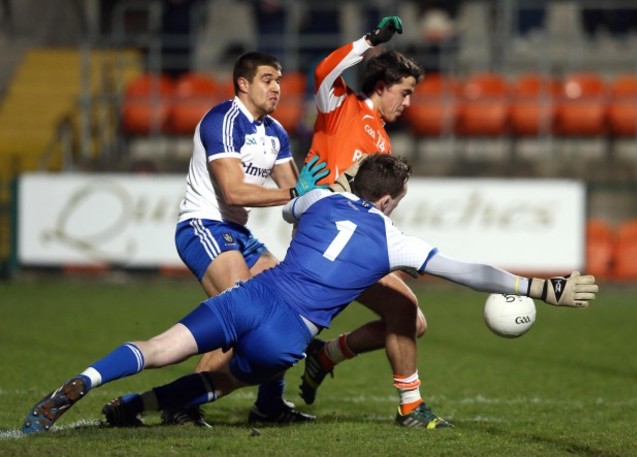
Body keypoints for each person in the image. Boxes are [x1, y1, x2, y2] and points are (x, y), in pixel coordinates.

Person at [22, 154, 599, 435]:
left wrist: (319, 189)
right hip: (287, 334)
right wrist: (540, 287)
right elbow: (468, 271)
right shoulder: (393, 239)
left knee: (156, 345)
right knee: (221, 380)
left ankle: (85, 384)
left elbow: (292, 204)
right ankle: (135, 409)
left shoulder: (320, 200)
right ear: (392, 198)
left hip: (253, 295)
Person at [163, 51, 329, 427]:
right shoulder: (223, 120)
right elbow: (235, 193)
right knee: (244, 316)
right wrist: (295, 195)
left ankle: (269, 405)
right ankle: (180, 403)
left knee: (287, 305)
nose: (277, 88)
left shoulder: (275, 132)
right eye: (268, 79)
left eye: (280, 80)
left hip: (238, 233)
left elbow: (298, 196)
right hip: (203, 226)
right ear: (243, 83)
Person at [299, 16, 430, 413]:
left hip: (355, 240)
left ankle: (324, 358)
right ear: (380, 86)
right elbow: (323, 71)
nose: (408, 104)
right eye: (404, 93)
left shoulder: (384, 140)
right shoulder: (341, 107)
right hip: (327, 238)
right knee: (403, 313)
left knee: (410, 318)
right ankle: (410, 408)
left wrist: (391, 246)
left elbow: (376, 203)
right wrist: (369, 41)